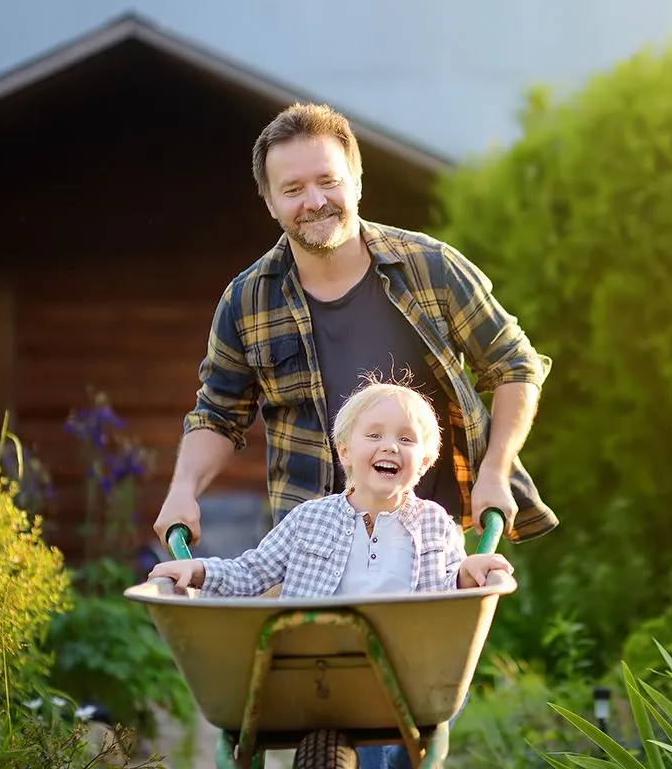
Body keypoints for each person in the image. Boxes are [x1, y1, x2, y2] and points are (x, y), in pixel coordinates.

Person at [152, 102, 558, 550]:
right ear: (270, 203)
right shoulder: (247, 300)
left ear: (357, 182)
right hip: (312, 551)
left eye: (328, 181)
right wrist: (182, 490)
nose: (314, 201)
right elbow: (218, 414)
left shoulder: (430, 268)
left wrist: (495, 472)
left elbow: (514, 366)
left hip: (432, 545)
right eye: (293, 189)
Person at [149, 381, 510, 769]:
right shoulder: (310, 519)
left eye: (406, 439)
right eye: (374, 435)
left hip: (407, 677)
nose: (390, 446)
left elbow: (448, 595)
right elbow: (251, 572)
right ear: (345, 451)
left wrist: (468, 575)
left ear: (423, 462)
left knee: (401, 735)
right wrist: (199, 570)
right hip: (314, 671)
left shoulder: (435, 524)